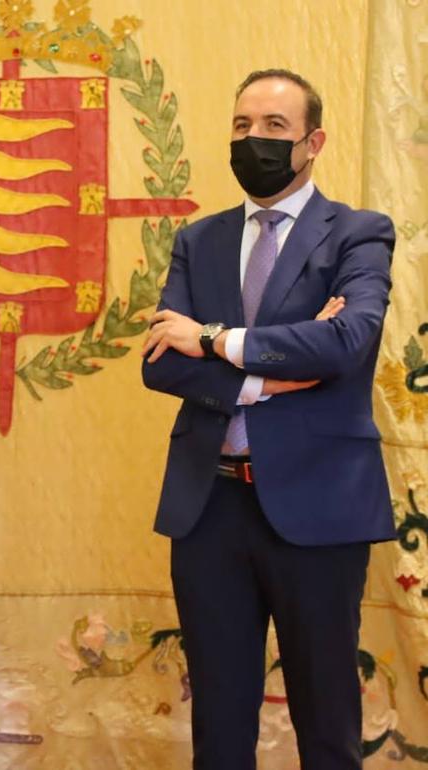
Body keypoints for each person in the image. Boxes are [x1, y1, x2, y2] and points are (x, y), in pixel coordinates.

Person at [142, 70, 395, 769]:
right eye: (242, 126)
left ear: (313, 143)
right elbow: (162, 362)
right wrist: (273, 375)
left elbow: (346, 343)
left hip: (321, 506)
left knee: (326, 715)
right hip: (210, 505)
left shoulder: (358, 234)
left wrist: (217, 340)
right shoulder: (200, 240)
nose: (254, 140)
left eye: (274, 128)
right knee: (220, 720)